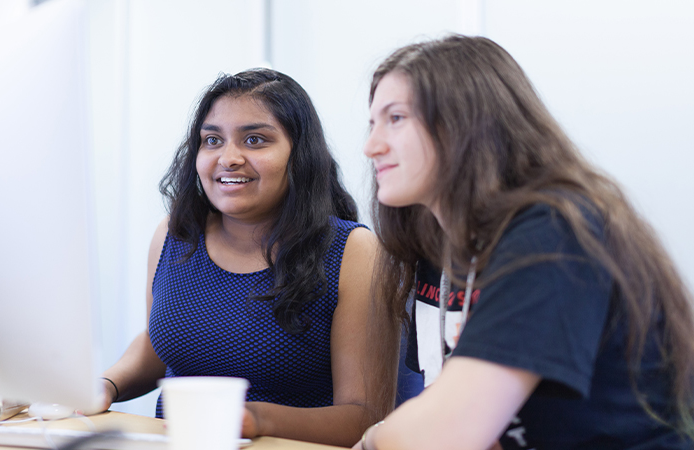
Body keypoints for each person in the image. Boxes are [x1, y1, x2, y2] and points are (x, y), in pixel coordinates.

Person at [356, 35, 694, 450]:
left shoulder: (554, 231)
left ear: (466, 123)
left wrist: (374, 440)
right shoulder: (445, 247)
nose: (371, 146)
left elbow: (449, 431)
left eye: (396, 118)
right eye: (373, 123)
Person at [97, 68, 394, 447]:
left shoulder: (353, 252)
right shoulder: (174, 234)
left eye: (255, 140)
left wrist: (250, 418)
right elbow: (161, 343)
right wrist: (105, 385)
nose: (228, 158)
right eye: (212, 140)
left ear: (299, 155)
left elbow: (364, 417)